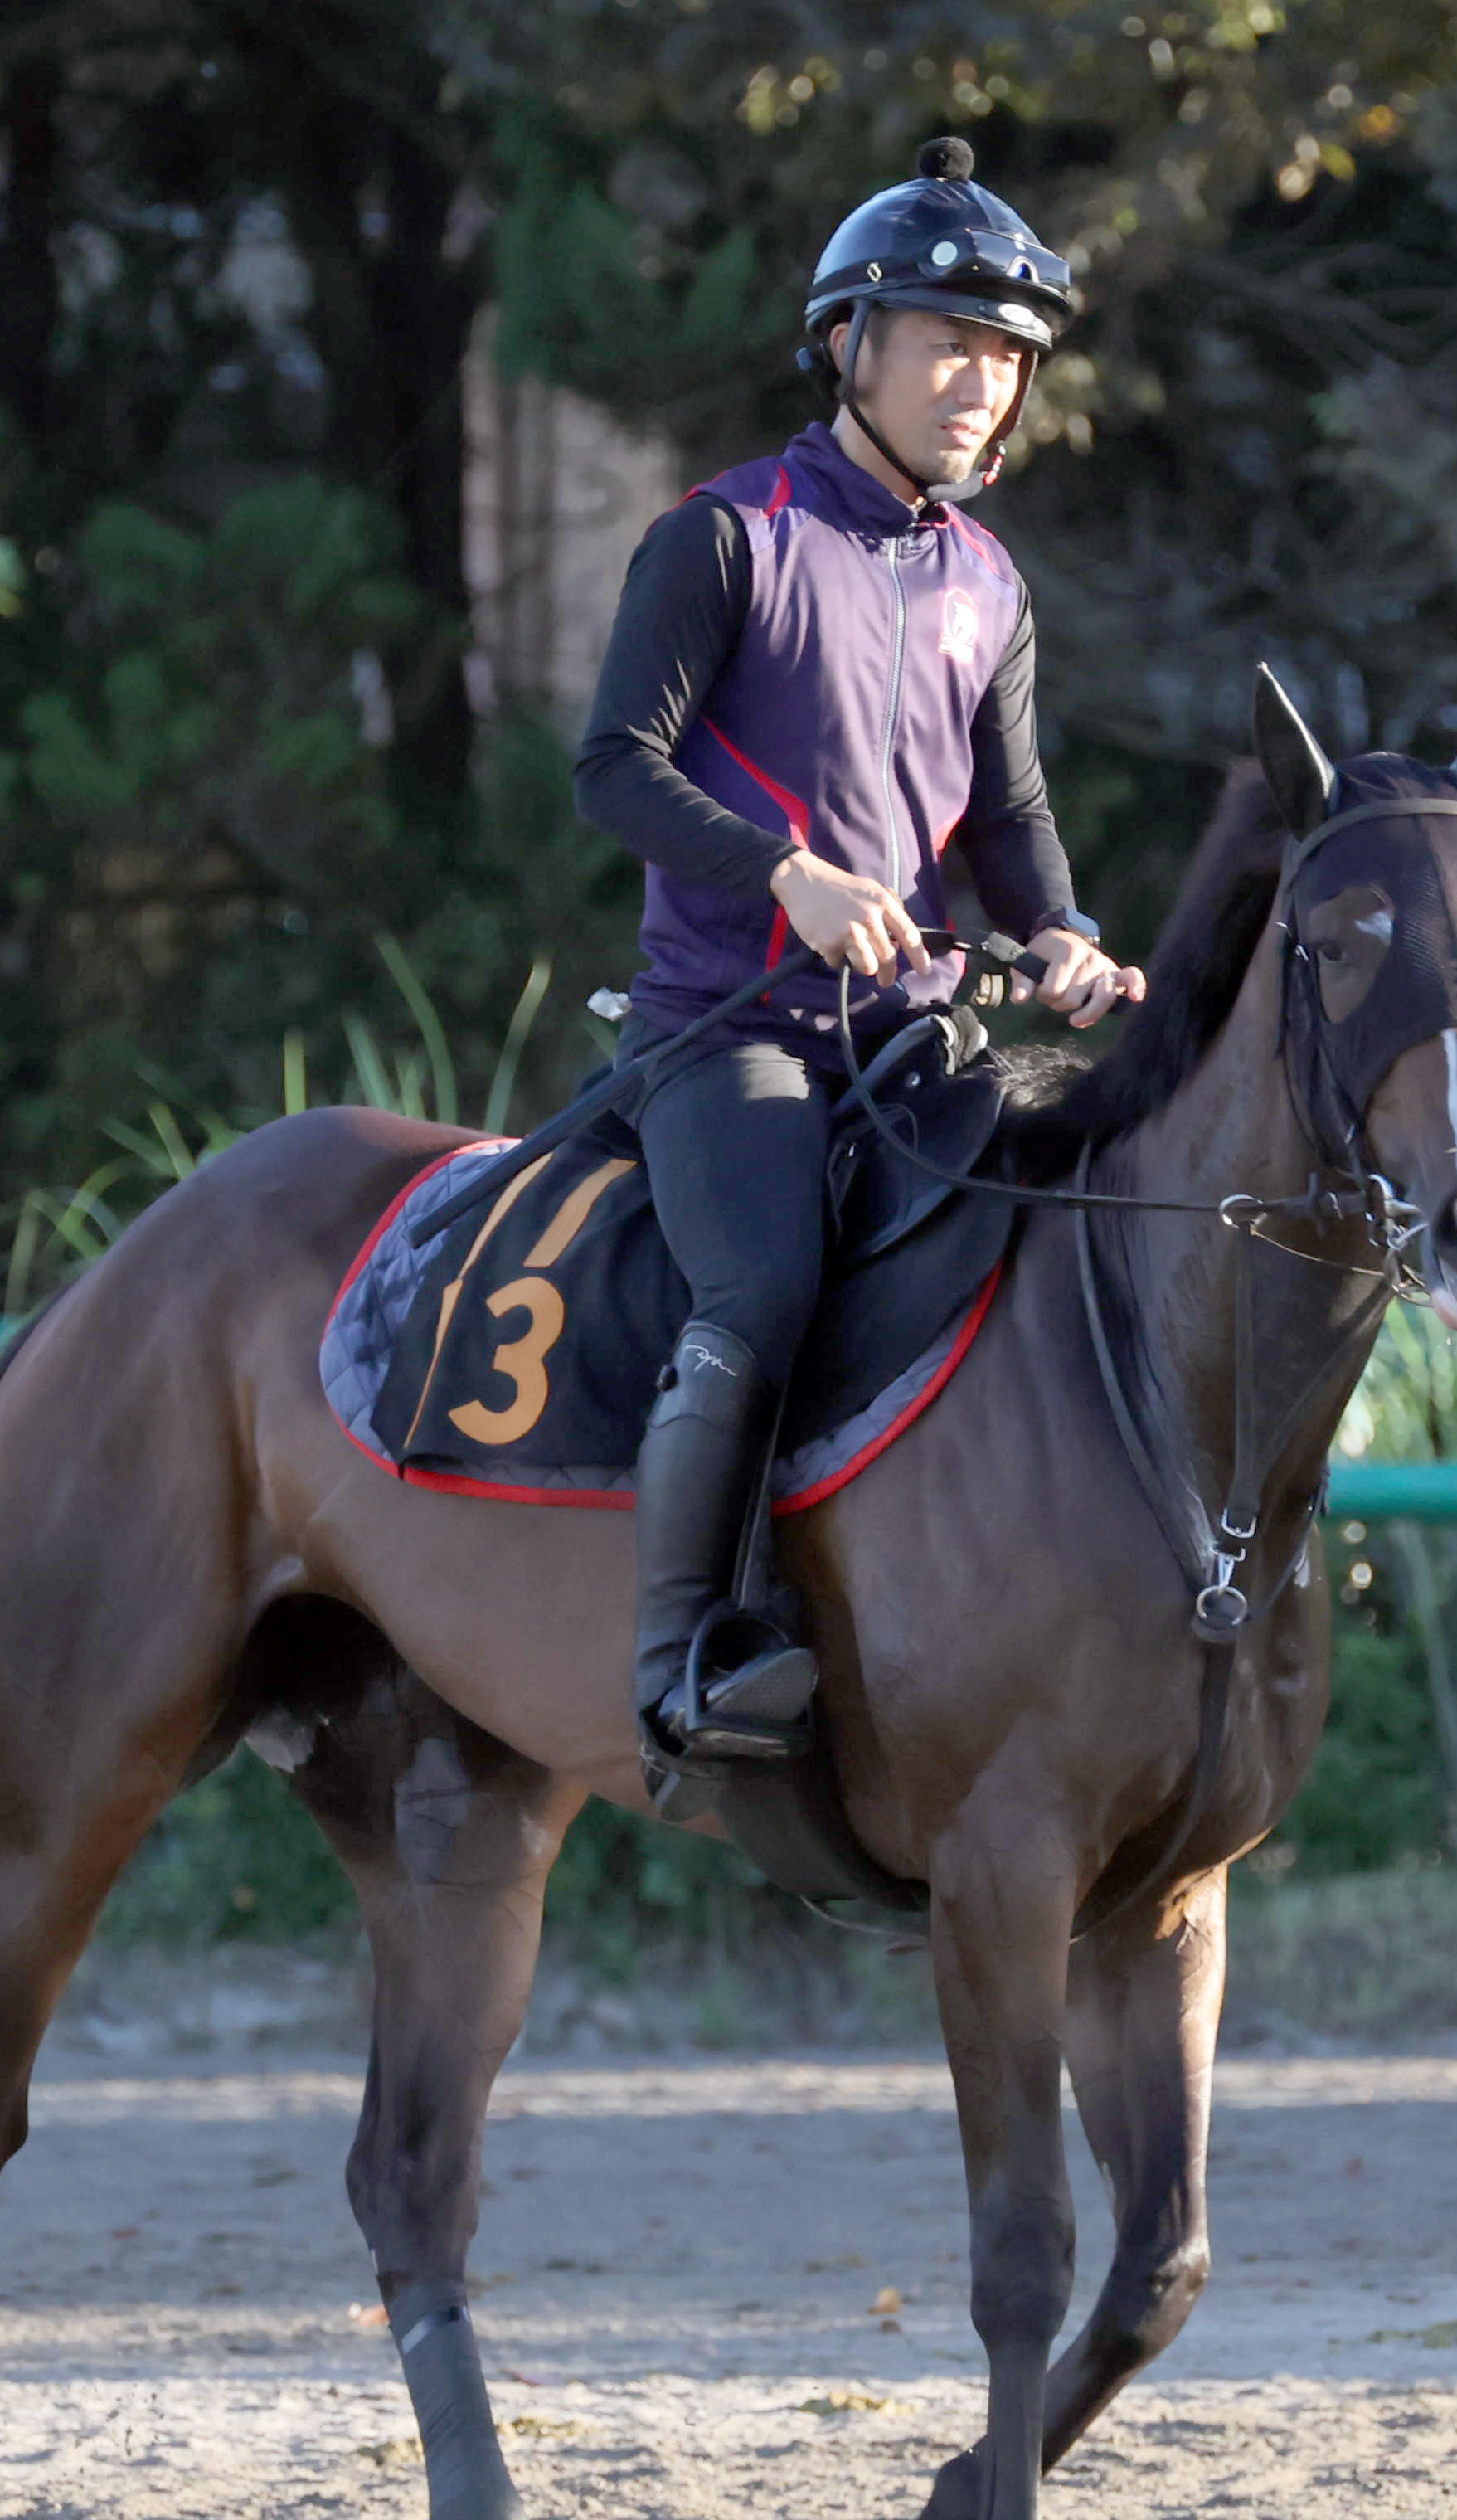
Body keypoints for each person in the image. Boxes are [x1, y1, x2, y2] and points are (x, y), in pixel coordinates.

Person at [574, 135, 1146, 1801]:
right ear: (851, 342)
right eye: (951, 343)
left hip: (919, 1039)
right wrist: (790, 878)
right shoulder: (720, 536)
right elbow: (613, 765)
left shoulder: (989, 581)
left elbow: (1015, 825)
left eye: (1009, 358)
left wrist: (1065, 935)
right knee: (757, 1292)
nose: (984, 383)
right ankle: (686, 1656)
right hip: (724, 1035)